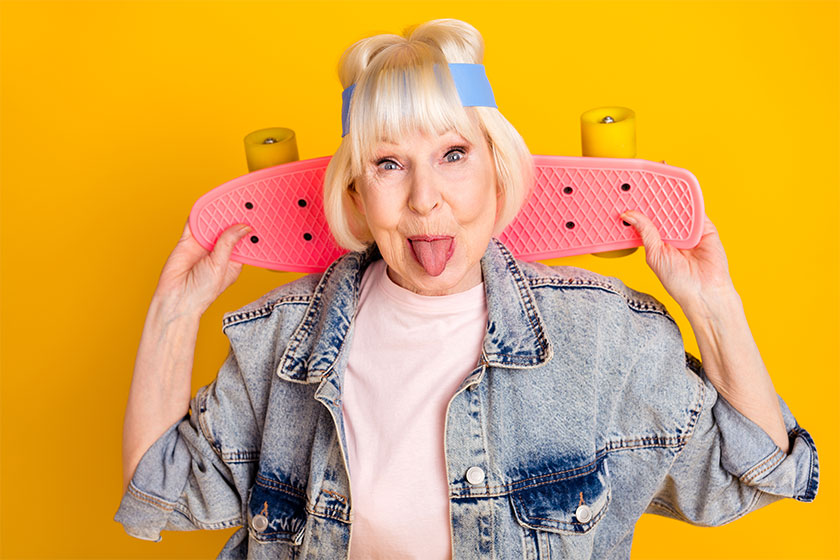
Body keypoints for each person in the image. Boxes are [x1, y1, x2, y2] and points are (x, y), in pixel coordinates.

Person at [115, 18, 818, 559]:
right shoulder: (281, 342)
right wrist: (174, 314)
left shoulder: (602, 336)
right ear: (357, 195)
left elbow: (748, 475)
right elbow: (164, 491)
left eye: (453, 155)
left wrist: (712, 304)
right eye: (390, 164)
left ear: (496, 167)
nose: (426, 199)